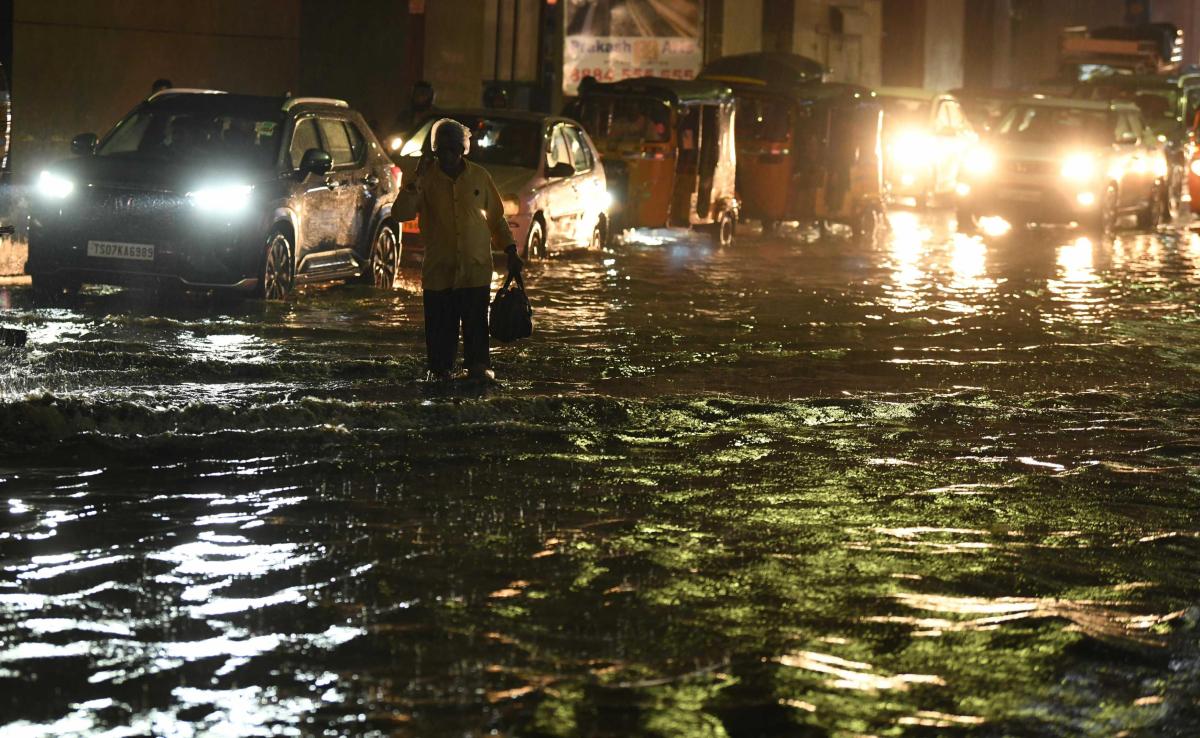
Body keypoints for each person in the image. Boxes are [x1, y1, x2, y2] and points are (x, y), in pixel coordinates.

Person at [394, 118, 523, 382]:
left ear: (462, 150)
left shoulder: (480, 176)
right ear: (435, 151)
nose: (448, 155)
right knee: (440, 357)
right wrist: (416, 178)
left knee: (477, 341)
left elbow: (496, 219)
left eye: (453, 149)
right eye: (442, 150)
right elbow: (401, 213)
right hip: (439, 274)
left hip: (475, 273)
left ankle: (476, 392)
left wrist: (510, 250)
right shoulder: (425, 179)